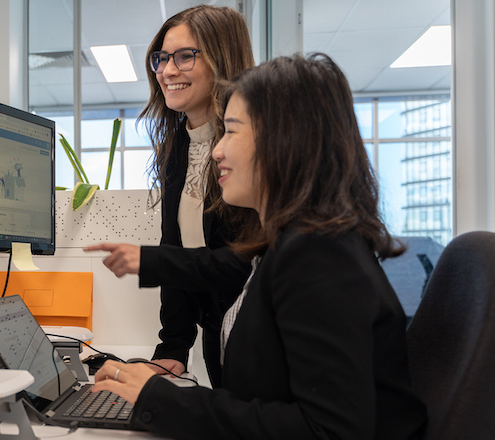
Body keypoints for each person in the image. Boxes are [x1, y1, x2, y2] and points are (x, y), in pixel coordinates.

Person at [90, 53, 428, 440]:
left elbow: (329, 431)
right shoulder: (292, 244)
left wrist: (161, 400)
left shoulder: (319, 257)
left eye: (231, 131)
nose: (217, 150)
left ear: (284, 141)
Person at [85, 5, 258, 383]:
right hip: (218, 330)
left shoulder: (250, 151)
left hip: (258, 334)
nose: (166, 71)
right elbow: (177, 248)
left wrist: (152, 261)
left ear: (222, 60)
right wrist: (173, 349)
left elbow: (247, 266)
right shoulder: (177, 148)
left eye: (184, 56)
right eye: (161, 58)